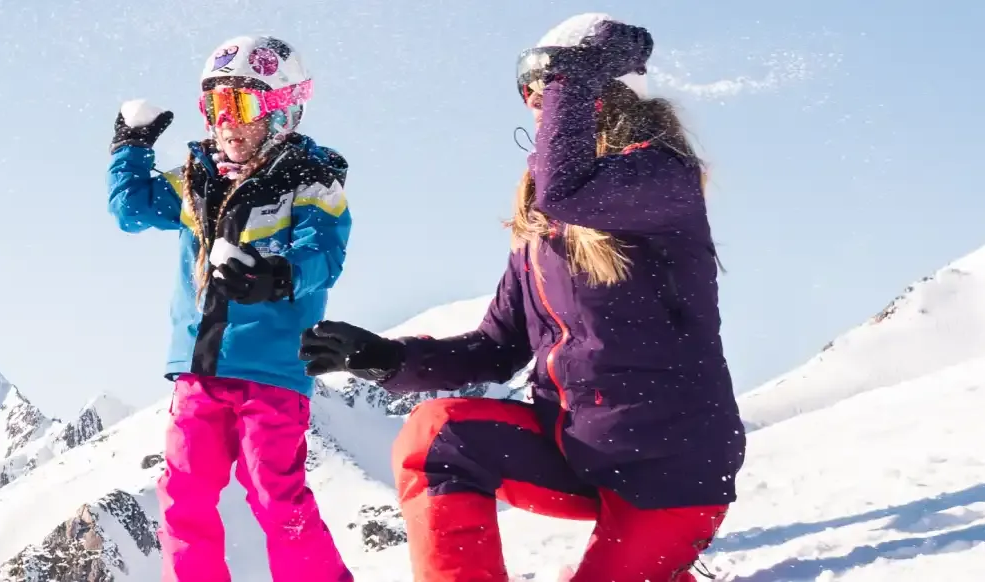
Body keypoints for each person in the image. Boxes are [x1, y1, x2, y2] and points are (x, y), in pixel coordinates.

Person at [298, 14, 738, 582]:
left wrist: (570, 81)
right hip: (575, 452)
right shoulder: (542, 227)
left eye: (550, 84)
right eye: (529, 87)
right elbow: (494, 346)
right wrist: (385, 358)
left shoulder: (664, 178)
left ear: (595, 88)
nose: (536, 99)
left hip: (669, 475)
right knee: (434, 435)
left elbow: (568, 189)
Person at [109, 35, 356, 582]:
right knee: (184, 498)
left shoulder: (309, 181)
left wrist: (274, 275)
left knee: (275, 495)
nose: (225, 123)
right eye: (214, 107)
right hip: (200, 370)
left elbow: (324, 254)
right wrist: (130, 147)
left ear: (282, 110)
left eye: (240, 106)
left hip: (271, 368)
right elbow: (130, 210)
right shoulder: (197, 179)